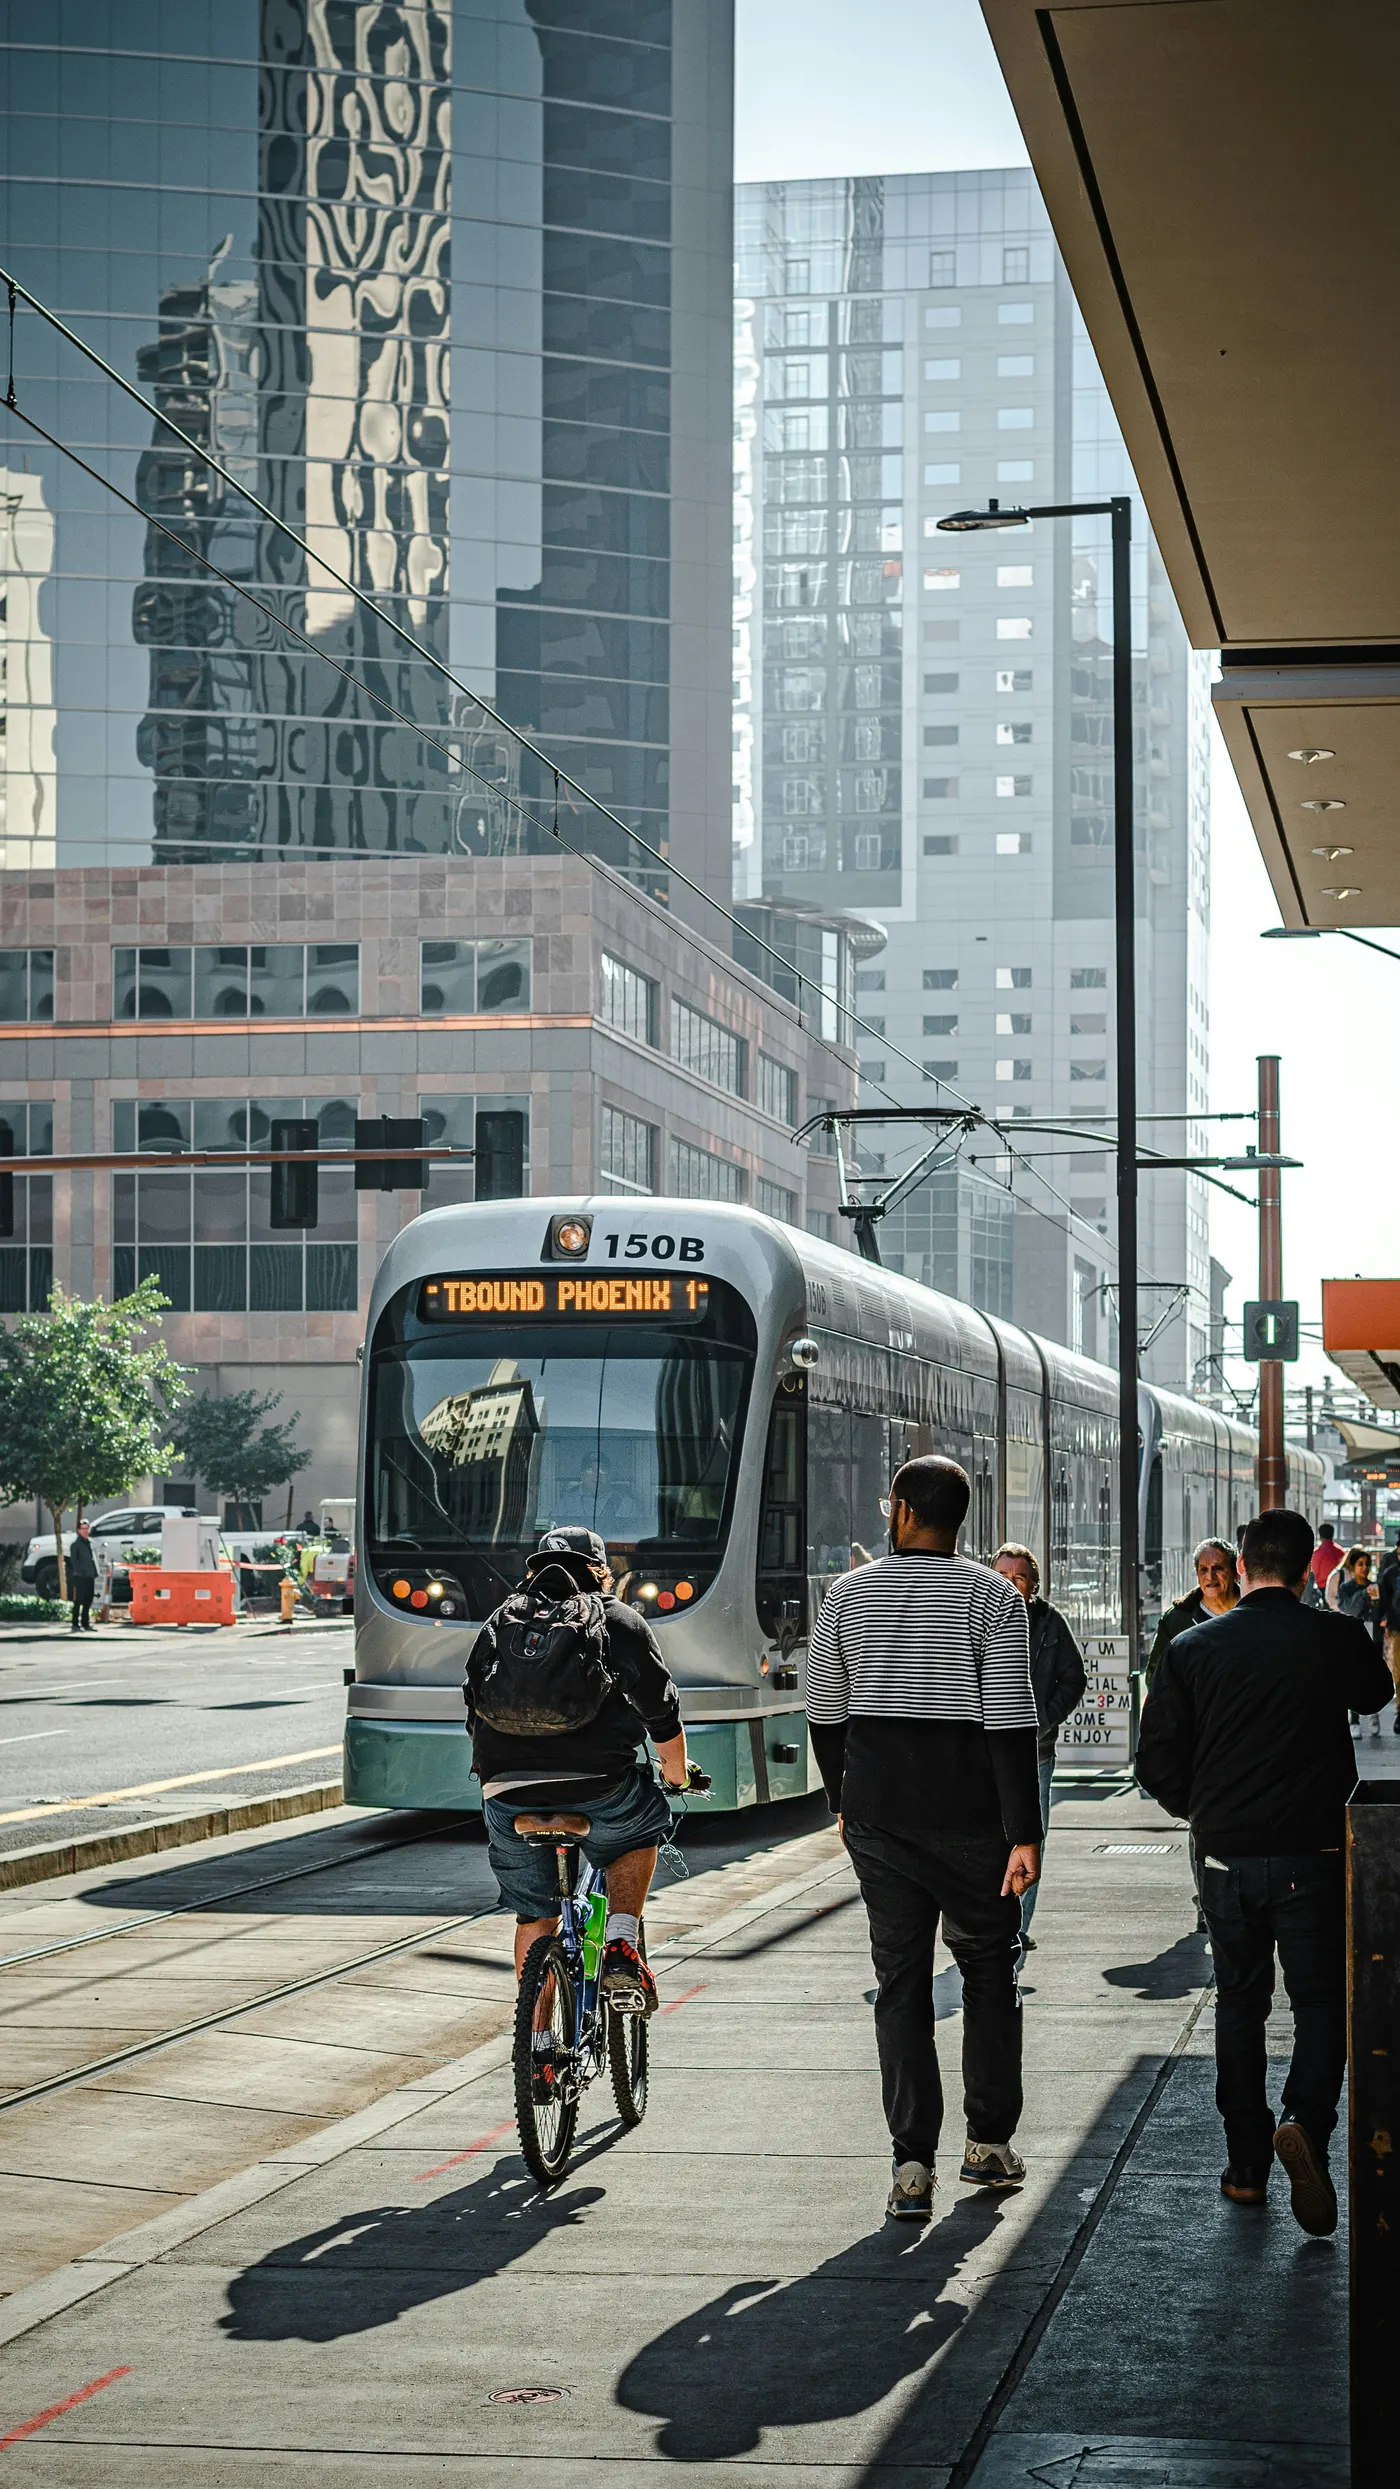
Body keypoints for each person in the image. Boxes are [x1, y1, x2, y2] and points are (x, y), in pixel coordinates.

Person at [1136, 1506, 1394, 2236]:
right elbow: (1378, 1693)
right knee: (1319, 2003)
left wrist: (1206, 1808)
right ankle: (1306, 2120)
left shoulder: (1192, 1648)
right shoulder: (1333, 1635)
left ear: (1241, 1564)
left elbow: (1153, 1760)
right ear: (1311, 1566)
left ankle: (1246, 2167)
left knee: (1239, 2003)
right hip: (1314, 1854)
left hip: (1226, 1858)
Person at [805, 1454, 1041, 2223]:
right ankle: (989, 2143)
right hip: (973, 1820)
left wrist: (845, 1799)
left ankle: (911, 2164)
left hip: (882, 1818)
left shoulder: (847, 1593)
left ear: (902, 1511)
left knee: (900, 1982)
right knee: (987, 1972)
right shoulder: (992, 1598)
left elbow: (824, 1713)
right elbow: (1011, 1724)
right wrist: (1024, 1834)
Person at [465, 1526, 690, 2015]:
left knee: (534, 1916)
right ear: (602, 1573)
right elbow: (661, 1711)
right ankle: (622, 1945)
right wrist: (676, 1776)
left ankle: (539, 2037)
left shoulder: (501, 1621)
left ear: (532, 1572)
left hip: (506, 1791)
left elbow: (473, 1705)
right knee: (638, 1833)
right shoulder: (618, 1619)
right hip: (599, 1787)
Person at [991, 1543, 1085, 1952]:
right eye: (1004, 1575)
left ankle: (1015, 1926)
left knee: (1030, 1835)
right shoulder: (975, 1618)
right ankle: (991, 1918)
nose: (1011, 1584)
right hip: (984, 1753)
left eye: (1020, 1577)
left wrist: (1043, 1719)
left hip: (1035, 1753)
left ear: (1033, 1585)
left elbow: (1074, 1678)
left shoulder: (1049, 1622)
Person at [1145, 1539, 1240, 1685]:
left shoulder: (1254, 1614)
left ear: (1236, 1572)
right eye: (1203, 1569)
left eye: (1218, 1568)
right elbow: (1156, 1678)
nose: (1210, 1576)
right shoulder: (1175, 1620)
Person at [1335, 1546, 1385, 1735]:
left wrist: (1376, 1602)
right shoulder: (1346, 1588)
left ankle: (1374, 1714)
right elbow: (1350, 1610)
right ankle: (1354, 1719)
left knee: (1372, 1676)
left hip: (1373, 1636)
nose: (1364, 1568)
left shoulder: (1374, 1586)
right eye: (1360, 1564)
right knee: (1353, 1676)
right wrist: (1365, 1594)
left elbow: (1378, 1614)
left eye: (1367, 1564)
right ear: (1353, 1566)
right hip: (1352, 1636)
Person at [1377, 1542, 1400, 1733]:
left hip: (1394, 1623)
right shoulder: (1391, 1573)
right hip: (1397, 1625)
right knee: (1399, 1671)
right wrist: (1385, 1619)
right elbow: (1385, 1598)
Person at [66, 1520, 97, 1634]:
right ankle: (75, 1623)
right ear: (79, 1530)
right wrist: (81, 1571)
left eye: (86, 1528)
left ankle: (86, 1623)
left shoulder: (90, 1543)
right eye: (83, 1529)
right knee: (78, 1601)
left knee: (88, 1600)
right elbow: (74, 1562)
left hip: (90, 1576)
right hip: (80, 1577)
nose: (85, 1531)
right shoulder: (75, 1545)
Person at [1309, 1520, 1345, 1599]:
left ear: (1320, 1536)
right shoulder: (1341, 1552)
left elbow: (1314, 1573)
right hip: (1339, 1589)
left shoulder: (1317, 1553)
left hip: (1322, 1589)